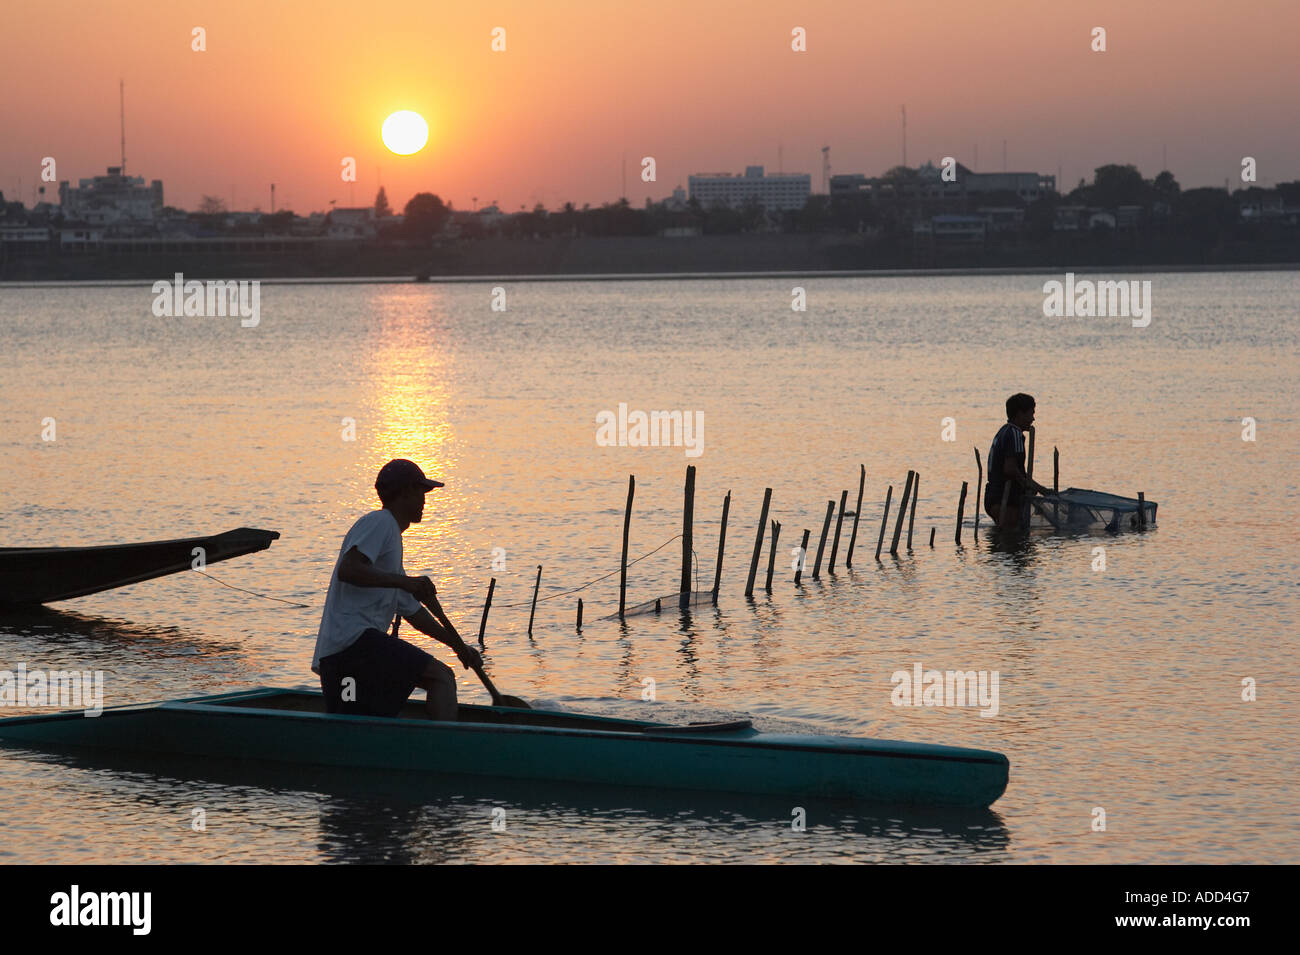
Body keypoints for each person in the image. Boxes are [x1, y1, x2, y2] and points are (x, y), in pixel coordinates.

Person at [312, 459, 482, 719]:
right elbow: (348, 570)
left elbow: (415, 614)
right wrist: (405, 582)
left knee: (366, 720)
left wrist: (458, 646)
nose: (425, 500)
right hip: (353, 646)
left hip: (346, 658)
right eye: (420, 492)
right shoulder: (380, 522)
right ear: (404, 493)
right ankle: (446, 751)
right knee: (442, 677)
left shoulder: (390, 549)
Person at [984, 394, 1052, 529]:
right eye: (1031, 414)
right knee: (1011, 543)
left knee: (1006, 542)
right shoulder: (1015, 434)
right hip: (1005, 499)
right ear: (1020, 414)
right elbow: (1010, 469)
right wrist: (1030, 486)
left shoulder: (1004, 431)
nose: (1033, 419)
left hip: (994, 497)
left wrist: (1036, 488)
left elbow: (1015, 470)